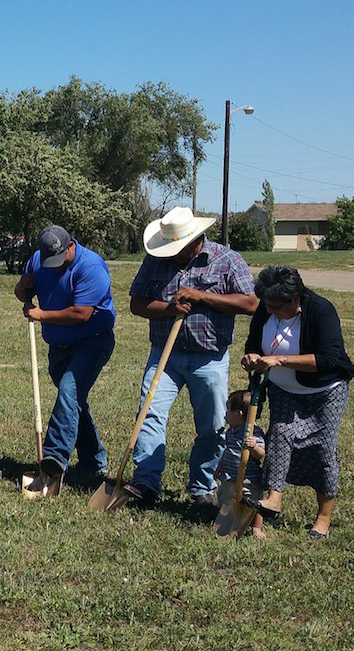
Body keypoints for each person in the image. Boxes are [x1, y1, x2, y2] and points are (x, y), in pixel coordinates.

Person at [124, 207, 257, 506]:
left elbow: (250, 303)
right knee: (149, 414)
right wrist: (169, 309)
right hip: (164, 354)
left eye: (176, 248)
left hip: (208, 358)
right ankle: (145, 482)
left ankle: (202, 486)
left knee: (212, 424)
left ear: (194, 240)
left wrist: (201, 296)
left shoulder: (226, 260)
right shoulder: (155, 259)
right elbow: (137, 304)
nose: (171, 254)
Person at [240, 265, 353, 539]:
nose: (269, 311)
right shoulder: (265, 311)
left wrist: (280, 360)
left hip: (324, 391)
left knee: (322, 449)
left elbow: (331, 359)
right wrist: (251, 358)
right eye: (266, 305)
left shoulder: (321, 310)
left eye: (276, 306)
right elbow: (253, 343)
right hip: (283, 389)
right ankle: (274, 499)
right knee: (280, 436)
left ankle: (323, 519)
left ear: (295, 299)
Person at [14, 226, 115, 485]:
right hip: (59, 346)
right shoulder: (39, 260)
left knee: (69, 391)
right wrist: (23, 288)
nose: (55, 266)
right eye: (50, 262)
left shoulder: (91, 267)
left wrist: (41, 315)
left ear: (71, 246)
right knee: (73, 403)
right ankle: (94, 459)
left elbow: (81, 313)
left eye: (59, 260)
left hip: (92, 342)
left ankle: (54, 458)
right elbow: (21, 291)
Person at [214, 389, 267, 539]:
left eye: (228, 410)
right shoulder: (231, 431)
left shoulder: (254, 433)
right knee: (228, 499)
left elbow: (261, 454)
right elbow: (227, 450)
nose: (225, 414)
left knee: (254, 505)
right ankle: (231, 519)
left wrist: (254, 447)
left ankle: (257, 528)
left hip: (249, 480)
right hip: (231, 476)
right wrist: (220, 466)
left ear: (239, 414)